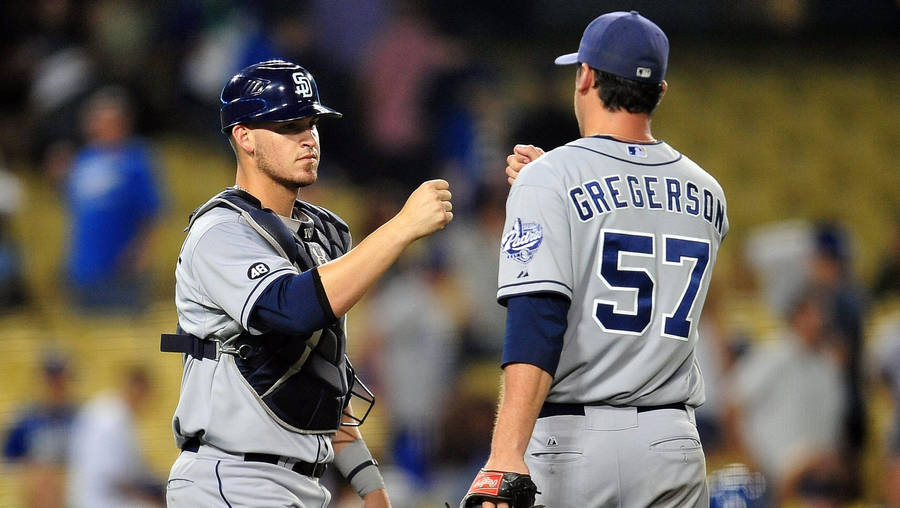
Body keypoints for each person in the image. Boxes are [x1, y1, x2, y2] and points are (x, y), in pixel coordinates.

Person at [461, 11, 728, 507]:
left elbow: (537, 322)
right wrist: (553, 181)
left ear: (585, 76)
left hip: (575, 446)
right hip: (674, 444)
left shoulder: (552, 179)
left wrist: (504, 455)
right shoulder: (707, 191)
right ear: (659, 91)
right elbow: (636, 207)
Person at [161, 59, 452, 508]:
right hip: (232, 477)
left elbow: (321, 375)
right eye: (288, 126)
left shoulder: (325, 234)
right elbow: (290, 308)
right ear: (244, 137)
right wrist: (401, 227)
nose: (308, 138)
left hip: (305, 485)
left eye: (312, 123)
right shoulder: (220, 232)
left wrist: (371, 488)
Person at [62, 85, 162, 312]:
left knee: (123, 328)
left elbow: (151, 213)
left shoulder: (137, 159)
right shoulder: (83, 159)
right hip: (84, 269)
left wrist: (140, 255)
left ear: (122, 123)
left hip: (122, 269)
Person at [67, 365, 164, 508]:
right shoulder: (110, 418)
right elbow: (114, 477)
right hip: (100, 501)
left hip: (92, 497)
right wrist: (152, 496)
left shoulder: (106, 407)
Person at [3, 351, 77, 508]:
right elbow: (10, 464)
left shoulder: (82, 419)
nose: (55, 386)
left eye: (60, 379)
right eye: (50, 380)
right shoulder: (24, 420)